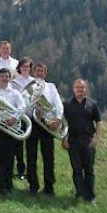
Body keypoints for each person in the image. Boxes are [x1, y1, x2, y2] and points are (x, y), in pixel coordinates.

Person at [26, 62, 64, 196]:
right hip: (33, 122)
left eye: (42, 71)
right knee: (31, 156)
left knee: (48, 156)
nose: (39, 73)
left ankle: (49, 186)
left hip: (47, 124)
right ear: (33, 73)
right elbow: (24, 106)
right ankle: (33, 185)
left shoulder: (51, 87)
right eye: (37, 71)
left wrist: (58, 118)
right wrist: (34, 110)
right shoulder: (29, 87)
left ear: (45, 73)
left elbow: (58, 104)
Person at [63, 79, 101, 204]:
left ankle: (90, 196)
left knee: (89, 170)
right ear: (73, 89)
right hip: (73, 141)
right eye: (77, 87)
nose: (80, 89)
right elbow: (63, 123)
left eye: (82, 87)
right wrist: (64, 139)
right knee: (77, 169)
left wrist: (96, 138)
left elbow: (98, 122)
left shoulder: (92, 104)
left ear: (86, 89)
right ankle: (80, 193)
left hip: (88, 141)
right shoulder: (67, 104)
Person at [0, 68, 26, 196]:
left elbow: (22, 107)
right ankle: (0, 184)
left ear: (9, 78)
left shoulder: (15, 93)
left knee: (9, 157)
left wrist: (14, 118)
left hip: (10, 128)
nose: (5, 78)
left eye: (7, 76)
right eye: (2, 76)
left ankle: (8, 183)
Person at [11, 57, 34, 180]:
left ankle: (30, 171)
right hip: (19, 117)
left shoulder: (34, 82)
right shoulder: (14, 82)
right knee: (18, 145)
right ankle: (20, 170)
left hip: (31, 117)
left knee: (30, 147)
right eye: (24, 66)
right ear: (19, 68)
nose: (26, 68)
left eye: (28, 66)